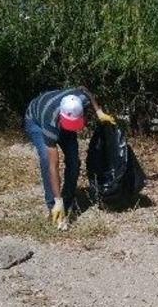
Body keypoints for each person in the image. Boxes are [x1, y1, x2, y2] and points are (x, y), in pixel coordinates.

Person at [25, 87, 115, 230]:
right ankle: (54, 206)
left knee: (74, 161)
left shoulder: (81, 100)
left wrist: (98, 111)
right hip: (35, 121)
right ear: (61, 116)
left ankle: (68, 201)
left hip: (61, 117)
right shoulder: (50, 121)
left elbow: (86, 90)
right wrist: (57, 200)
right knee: (46, 159)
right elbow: (53, 166)